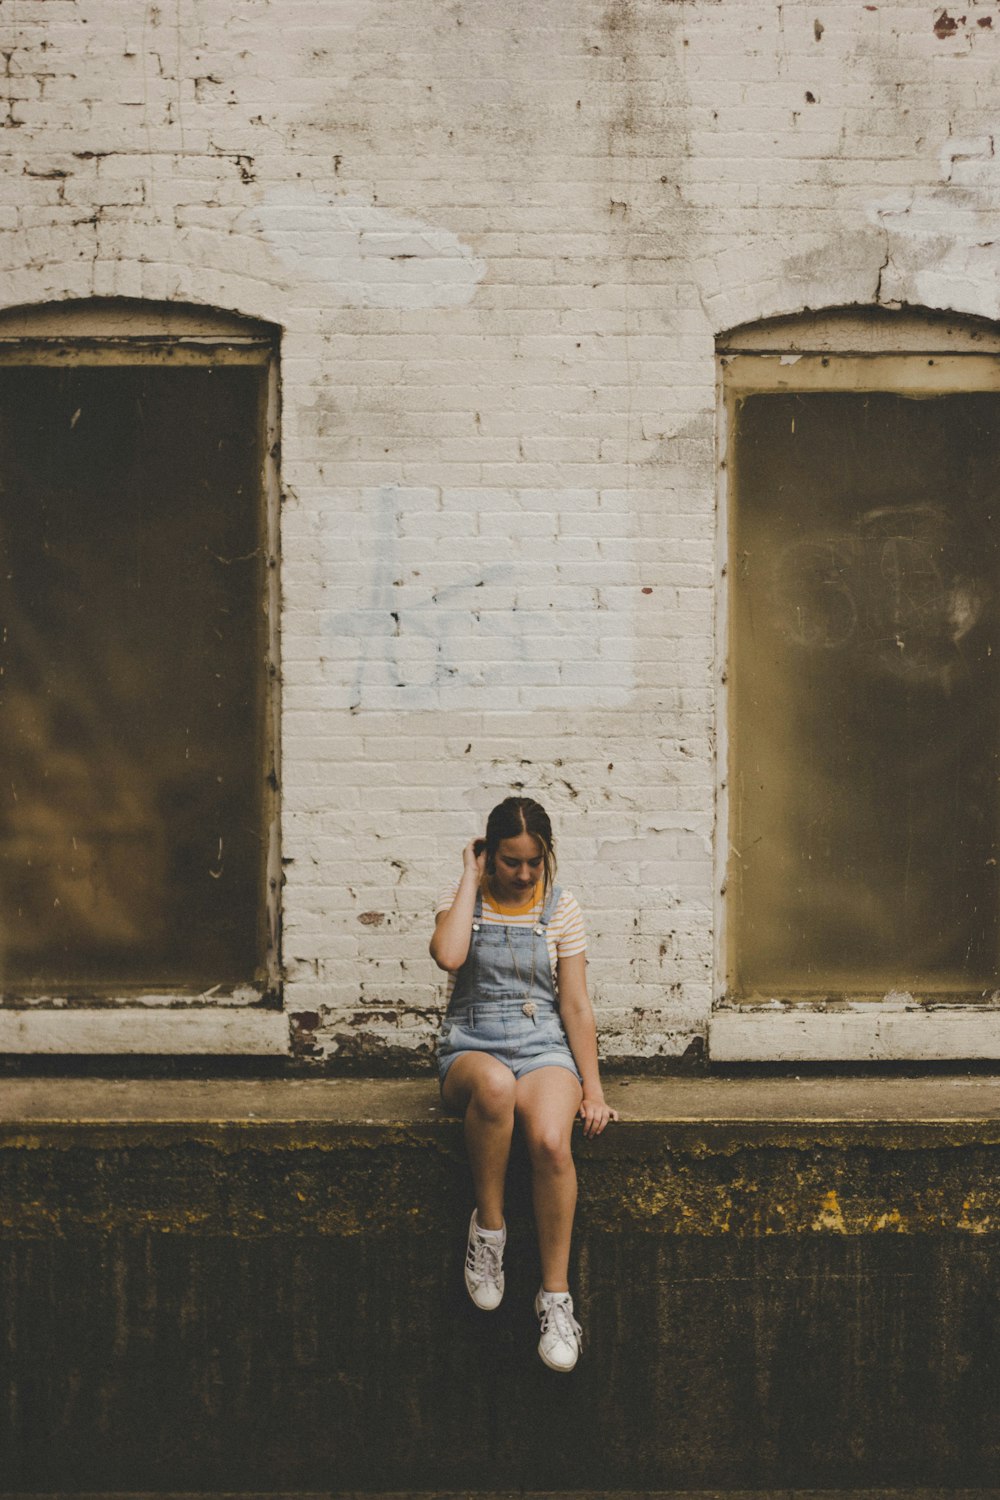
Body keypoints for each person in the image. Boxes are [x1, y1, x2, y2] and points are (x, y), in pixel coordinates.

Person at [430, 795, 618, 1372]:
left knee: (550, 1142)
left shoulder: (561, 909)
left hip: (542, 1048)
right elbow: (448, 955)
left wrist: (594, 1089)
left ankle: (555, 1300)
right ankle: (489, 1233)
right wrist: (469, 875)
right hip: (472, 1045)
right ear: (489, 856)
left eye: (534, 861)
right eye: (510, 861)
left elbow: (575, 1004)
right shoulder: (465, 901)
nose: (524, 873)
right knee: (494, 1089)